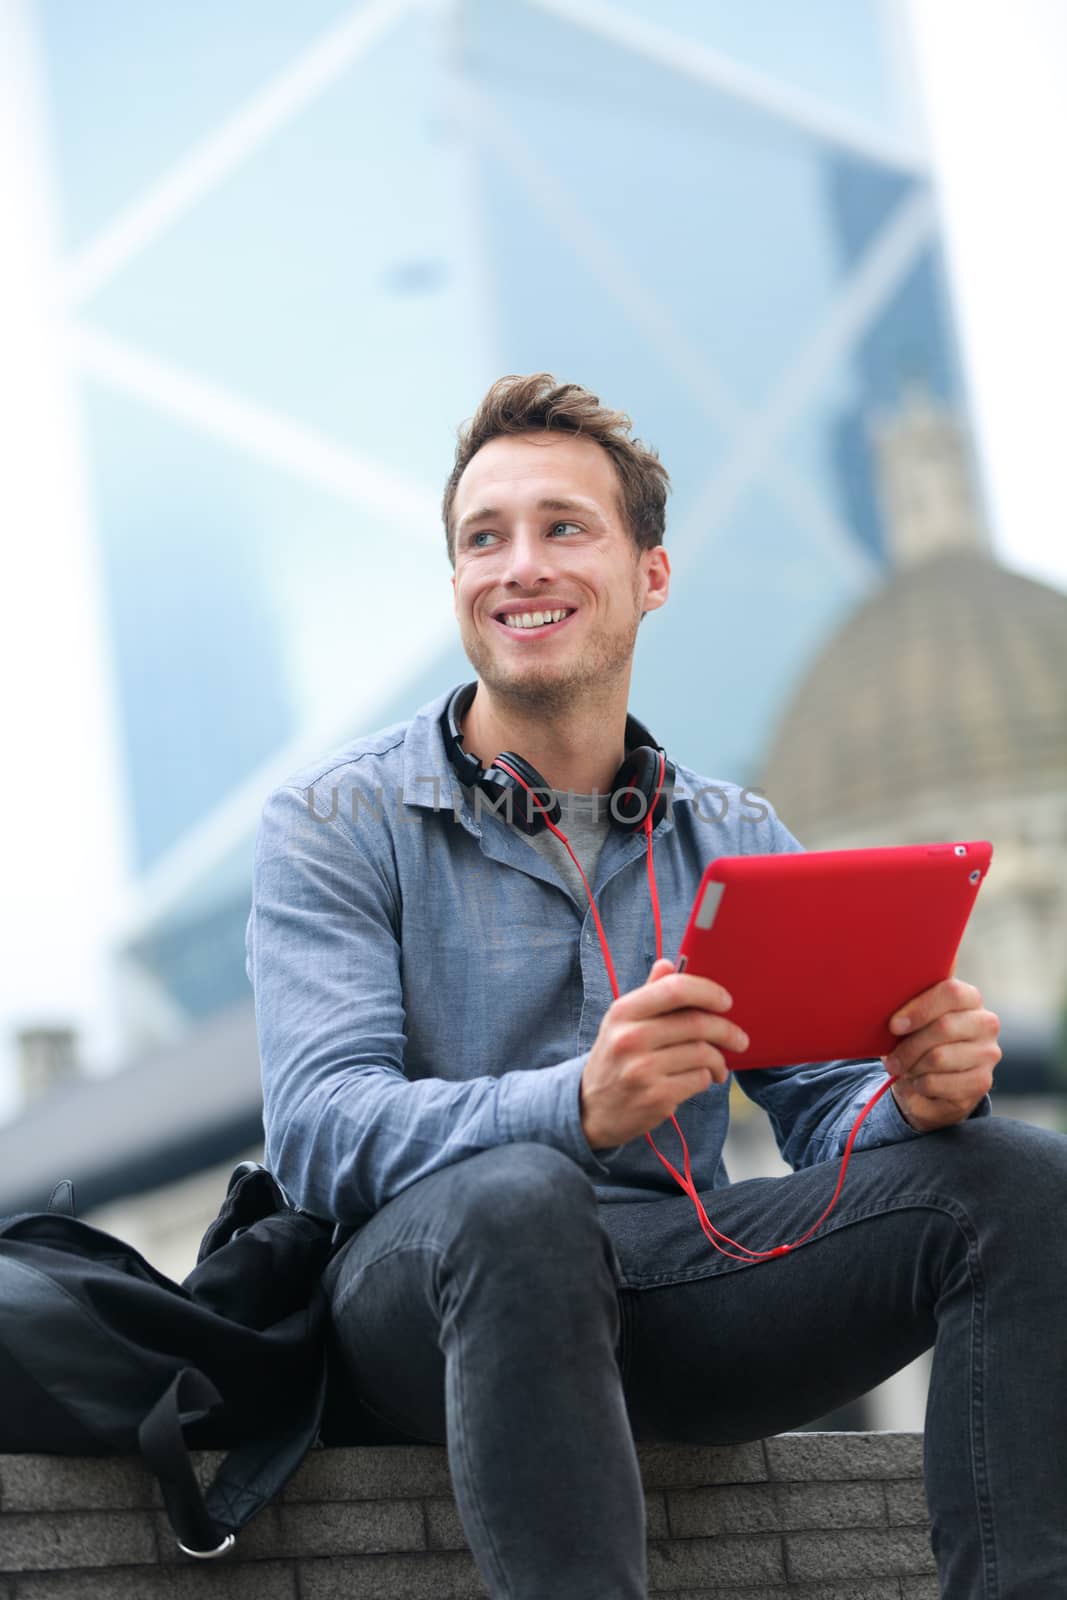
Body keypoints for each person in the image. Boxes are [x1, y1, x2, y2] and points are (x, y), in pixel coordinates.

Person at [245, 373, 1066, 1600]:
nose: (519, 564)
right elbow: (316, 1132)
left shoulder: (733, 834)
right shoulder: (335, 821)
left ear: (651, 576)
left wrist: (913, 1096)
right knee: (521, 1197)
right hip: (421, 1304)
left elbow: (824, 1110)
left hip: (677, 1288)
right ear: (458, 581)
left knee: (1015, 1173)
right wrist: (571, 1106)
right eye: (484, 537)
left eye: (563, 527)